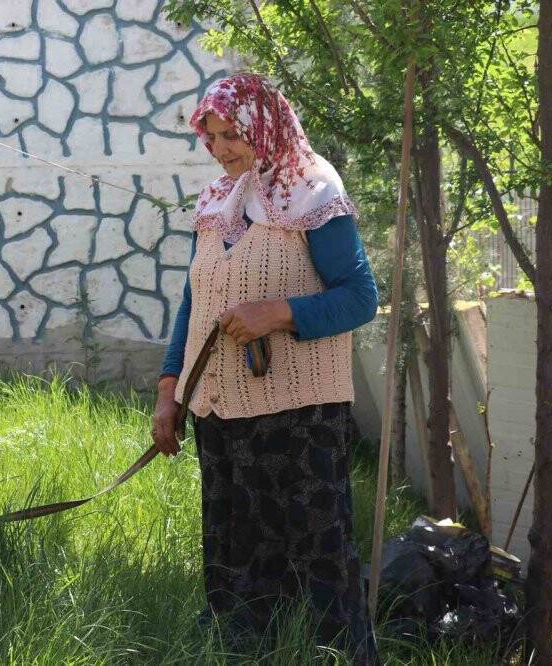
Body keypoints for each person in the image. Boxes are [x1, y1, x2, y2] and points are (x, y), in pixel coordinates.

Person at [151, 73, 380, 664]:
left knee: (319, 565)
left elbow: (360, 299)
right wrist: (169, 392)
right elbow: (194, 305)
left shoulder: (313, 193)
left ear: (266, 128)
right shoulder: (218, 201)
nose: (221, 148)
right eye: (212, 136)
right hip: (217, 415)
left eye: (233, 135)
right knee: (234, 564)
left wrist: (277, 313)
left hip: (300, 421)